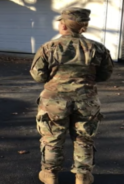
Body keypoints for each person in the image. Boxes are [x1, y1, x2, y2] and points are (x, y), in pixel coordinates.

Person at [30, 7, 113, 184]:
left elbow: (38, 76)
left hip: (54, 102)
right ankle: (82, 176)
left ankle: (50, 175)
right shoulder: (98, 49)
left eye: (61, 21)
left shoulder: (48, 48)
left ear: (64, 25)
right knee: (84, 138)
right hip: (86, 101)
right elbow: (105, 75)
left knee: (52, 137)